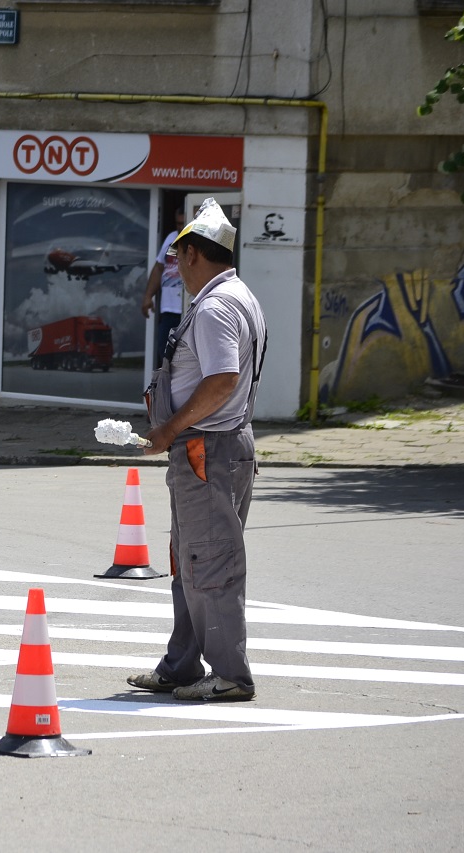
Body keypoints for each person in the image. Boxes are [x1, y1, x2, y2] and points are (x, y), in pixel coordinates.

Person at [128, 198, 267, 702]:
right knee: (191, 562)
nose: (174, 270)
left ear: (191, 255)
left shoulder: (213, 307)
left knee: (210, 565)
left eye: (175, 258)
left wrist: (168, 429)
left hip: (207, 449)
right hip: (215, 448)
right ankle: (181, 665)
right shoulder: (237, 296)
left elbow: (223, 379)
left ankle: (230, 674)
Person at [141, 207, 187, 368]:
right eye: (178, 224)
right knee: (165, 355)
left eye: (184, 223)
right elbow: (160, 267)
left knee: (184, 361)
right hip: (168, 309)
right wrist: (148, 296)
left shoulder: (198, 242)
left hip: (188, 311)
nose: (181, 227)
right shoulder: (172, 238)